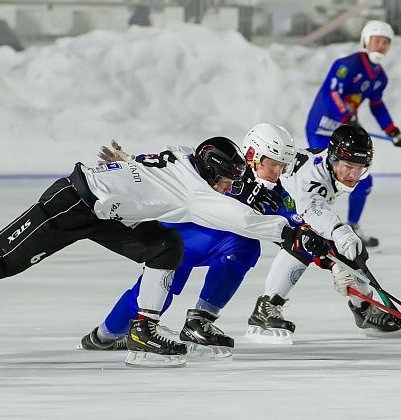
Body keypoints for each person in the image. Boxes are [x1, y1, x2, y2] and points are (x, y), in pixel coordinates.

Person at [0, 136, 328, 367]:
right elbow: (241, 221)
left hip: (109, 213)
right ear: (212, 170)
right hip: (73, 204)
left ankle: (143, 328)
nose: (228, 188)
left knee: (166, 246)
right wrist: (289, 235)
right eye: (226, 181)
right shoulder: (197, 189)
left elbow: (149, 163)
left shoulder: (184, 157)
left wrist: (126, 165)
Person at [79, 123, 302, 357]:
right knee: (240, 244)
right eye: (273, 164)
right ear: (252, 155)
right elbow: (171, 166)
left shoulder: (276, 191)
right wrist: (130, 165)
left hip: (186, 238)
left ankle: (109, 335)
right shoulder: (222, 162)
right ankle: (109, 335)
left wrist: (323, 237)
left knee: (241, 246)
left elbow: (298, 223)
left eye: (282, 166)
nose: (277, 172)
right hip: (176, 233)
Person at [246, 125, 401, 342]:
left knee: (347, 251)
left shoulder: (328, 165)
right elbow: (311, 208)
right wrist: (338, 237)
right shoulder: (312, 175)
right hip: (268, 201)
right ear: (333, 159)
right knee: (305, 242)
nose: (353, 175)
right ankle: (267, 305)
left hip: (289, 202)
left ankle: (364, 310)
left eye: (360, 168)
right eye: (349, 166)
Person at [306, 20, 401, 247]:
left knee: (362, 180)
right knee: (322, 178)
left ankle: (352, 227)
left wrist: (393, 130)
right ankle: (317, 226)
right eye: (378, 40)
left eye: (386, 42)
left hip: (344, 132)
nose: (381, 46)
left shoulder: (379, 77)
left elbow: (377, 105)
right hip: (321, 130)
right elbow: (333, 92)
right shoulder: (347, 65)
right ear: (366, 40)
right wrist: (346, 115)